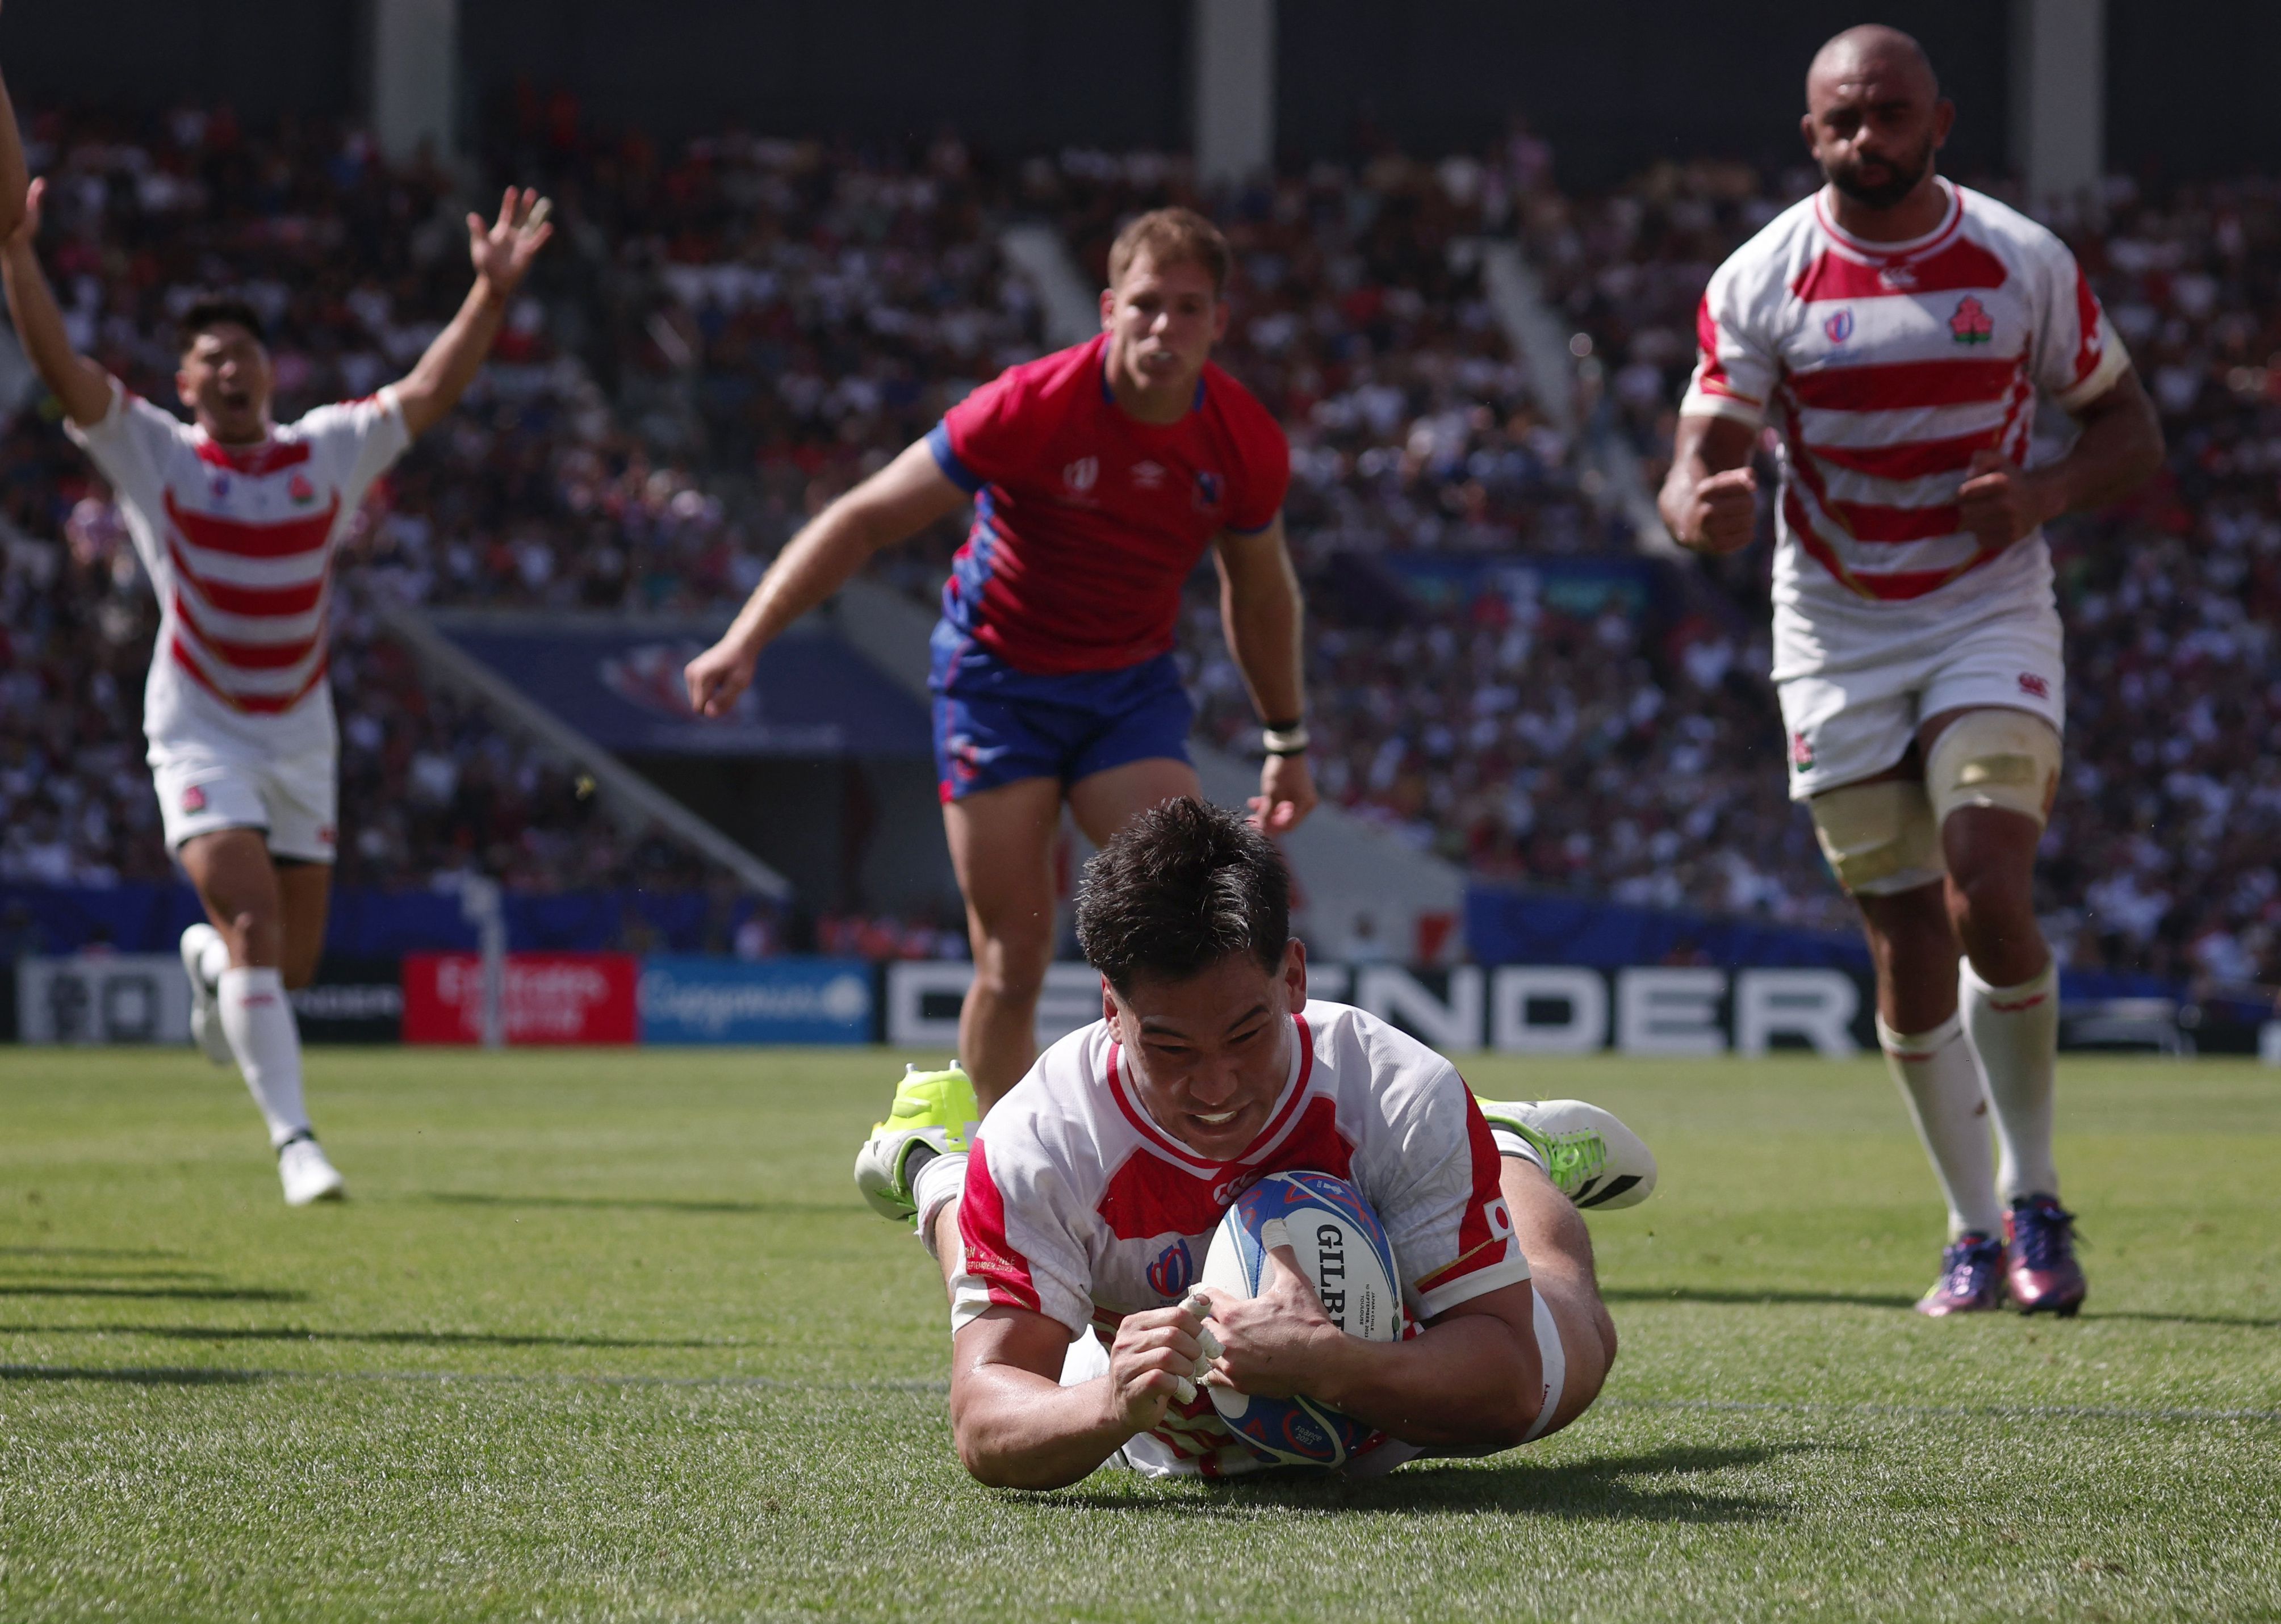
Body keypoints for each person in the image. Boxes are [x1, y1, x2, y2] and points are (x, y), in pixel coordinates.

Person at [1657, 26, 2163, 1315]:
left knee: (1983, 883)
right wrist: (1694, 507)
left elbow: (2126, 426)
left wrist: (2043, 489)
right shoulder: (1761, 276)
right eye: (1837, 121)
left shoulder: (2015, 262)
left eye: (1885, 115)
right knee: (1897, 935)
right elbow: (1700, 450)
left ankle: (2032, 1189)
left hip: (1982, 610)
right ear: (1808, 131)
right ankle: (1965, 1231)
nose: (1861, 141)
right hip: (1829, 626)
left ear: (1936, 119)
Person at [682, 208, 1319, 1229]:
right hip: (996, 685)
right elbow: (865, 516)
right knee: (1012, 955)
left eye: (1186, 309)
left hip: (1127, 691)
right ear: (1110, 310)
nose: (1164, 327)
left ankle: (1218, 1169)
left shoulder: (1240, 439)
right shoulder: (1030, 406)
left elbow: (1262, 590)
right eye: (1145, 306)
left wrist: (1286, 737)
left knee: (1200, 917)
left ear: (1217, 322)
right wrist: (745, 639)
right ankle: (1011, 1191)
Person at [0, 74, 554, 1203]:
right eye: (209, 354)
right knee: (253, 915)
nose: (232, 366)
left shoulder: (325, 450)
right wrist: (16, 253)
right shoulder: (153, 453)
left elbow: (429, 391)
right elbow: (61, 368)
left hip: (302, 728)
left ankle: (209, 967)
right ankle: (298, 1143)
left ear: (271, 374)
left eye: (246, 351)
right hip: (200, 723)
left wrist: (488, 298)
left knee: (282, 962)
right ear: (185, 383)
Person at [934, 797, 1655, 1486]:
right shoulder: (1040, 1136)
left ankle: (1511, 1146)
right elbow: (985, 1420)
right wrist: (1111, 1404)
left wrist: (1329, 1366)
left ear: (1295, 977)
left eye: (1246, 1035)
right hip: (1160, 1429)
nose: (1216, 1087)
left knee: (1580, 1330)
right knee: (987, 1206)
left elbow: (1511, 1378)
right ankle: (937, 1174)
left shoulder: (1397, 1094)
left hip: (1397, 1395)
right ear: (1111, 1012)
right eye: (1171, 1047)